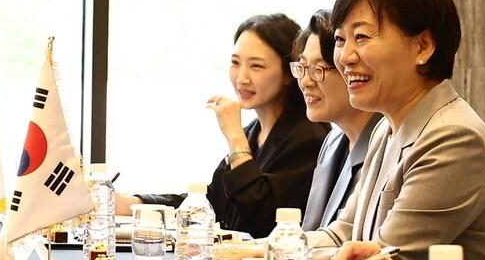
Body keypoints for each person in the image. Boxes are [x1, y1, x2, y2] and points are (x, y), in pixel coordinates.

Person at [319, 0, 485, 260]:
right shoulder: (385, 127)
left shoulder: (454, 136)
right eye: (341, 40)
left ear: (422, 46)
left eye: (362, 37)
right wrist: (260, 252)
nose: (345, 56)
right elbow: (342, 235)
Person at [117, 14, 328, 238]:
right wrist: (135, 204)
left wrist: (235, 137)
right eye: (235, 63)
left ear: (288, 73)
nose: (242, 78)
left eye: (256, 66)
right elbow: (211, 204)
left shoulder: (309, 137)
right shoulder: (254, 132)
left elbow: (265, 222)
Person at [294, 10, 382, 230]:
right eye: (302, 67)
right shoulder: (333, 140)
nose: (305, 81)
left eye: (318, 69)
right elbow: (314, 233)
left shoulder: (387, 141)